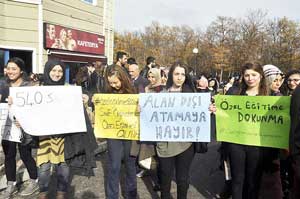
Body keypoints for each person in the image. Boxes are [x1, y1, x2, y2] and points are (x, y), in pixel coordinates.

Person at [36, 59, 97, 199]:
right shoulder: (38, 89)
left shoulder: (69, 89)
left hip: (64, 135)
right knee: (44, 166)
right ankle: (42, 193)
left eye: (60, 71)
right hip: (45, 136)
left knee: (63, 164)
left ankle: (61, 193)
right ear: (47, 71)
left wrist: (86, 97)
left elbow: (87, 95)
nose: (57, 74)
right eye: (54, 70)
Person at [223, 62, 268, 199]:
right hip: (237, 144)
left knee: (253, 181)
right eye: (247, 75)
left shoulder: (269, 96)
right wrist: (216, 110)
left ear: (261, 76)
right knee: (237, 179)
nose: (250, 78)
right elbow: (225, 113)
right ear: (243, 77)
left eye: (254, 75)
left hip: (258, 145)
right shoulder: (234, 93)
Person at [0, 57, 39, 199]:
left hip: (24, 127)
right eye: (8, 68)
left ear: (21, 71)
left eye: (14, 69)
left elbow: (35, 108)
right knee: (9, 156)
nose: (10, 71)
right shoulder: (2, 85)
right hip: (6, 127)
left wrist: (24, 119)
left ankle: (34, 180)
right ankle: (11, 184)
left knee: (25, 155)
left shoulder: (29, 87)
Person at [156, 61, 195, 199]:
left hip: (186, 143)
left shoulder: (192, 96)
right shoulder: (161, 95)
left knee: (182, 179)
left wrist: (208, 110)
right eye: (176, 74)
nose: (179, 77)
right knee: (165, 178)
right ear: (171, 75)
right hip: (165, 143)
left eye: (183, 74)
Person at [104, 65, 137, 199]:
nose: (113, 85)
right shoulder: (107, 92)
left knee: (130, 166)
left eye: (116, 82)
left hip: (130, 134)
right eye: (110, 82)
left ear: (122, 79)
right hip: (113, 134)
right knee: (114, 166)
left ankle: (131, 195)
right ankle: (112, 196)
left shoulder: (133, 91)